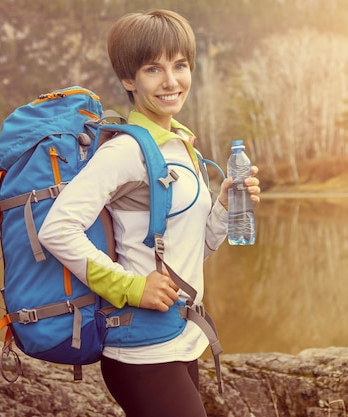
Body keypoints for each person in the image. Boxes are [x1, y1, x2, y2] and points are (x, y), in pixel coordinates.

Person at [38, 9, 261, 417]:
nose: (171, 81)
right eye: (154, 69)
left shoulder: (181, 145)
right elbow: (56, 229)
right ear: (129, 79)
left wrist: (225, 207)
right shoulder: (125, 151)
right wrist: (134, 287)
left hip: (180, 337)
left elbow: (194, 250)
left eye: (180, 66)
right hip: (140, 350)